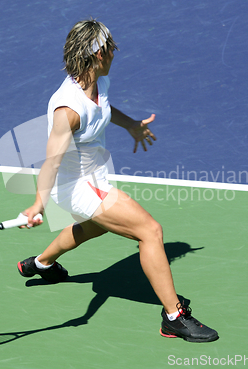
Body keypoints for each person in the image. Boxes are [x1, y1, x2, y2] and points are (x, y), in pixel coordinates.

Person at [17, 19, 218, 343]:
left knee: (94, 227)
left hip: (95, 175)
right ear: (98, 54)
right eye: (111, 47)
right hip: (76, 186)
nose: (116, 52)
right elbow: (51, 161)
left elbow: (104, 111)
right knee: (150, 231)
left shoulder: (98, 82)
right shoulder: (67, 109)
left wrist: (131, 125)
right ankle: (174, 317)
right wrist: (39, 203)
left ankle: (42, 264)